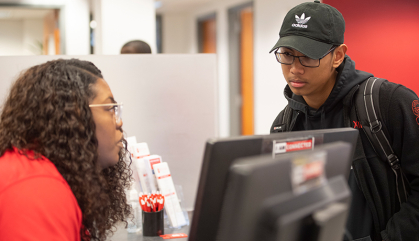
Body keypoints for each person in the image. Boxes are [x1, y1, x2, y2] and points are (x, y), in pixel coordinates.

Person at [269, 1, 419, 241]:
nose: (295, 69)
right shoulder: (284, 125)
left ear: (338, 55)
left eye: (308, 57)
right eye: (287, 55)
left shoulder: (389, 103)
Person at [0, 59, 133, 241]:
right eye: (110, 108)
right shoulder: (38, 189)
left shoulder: (37, 170)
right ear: (74, 116)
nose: (119, 122)